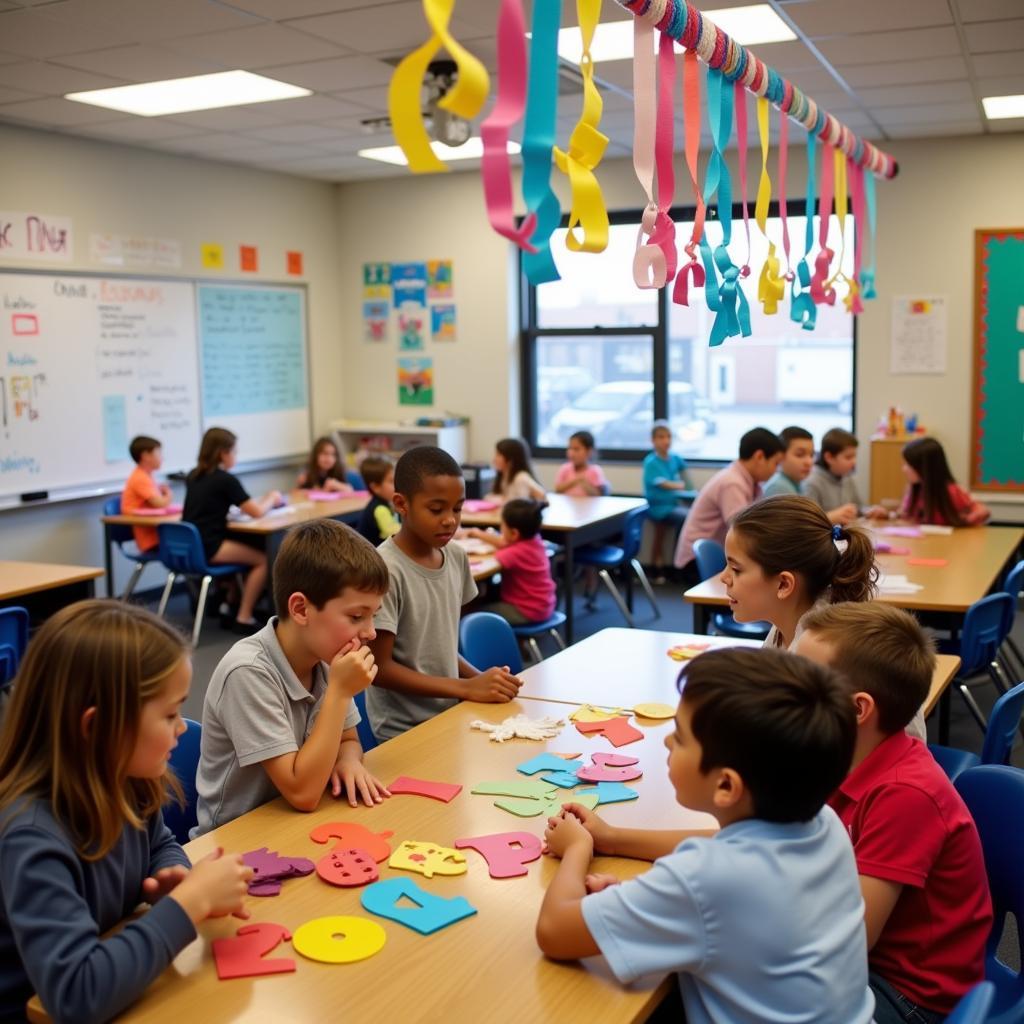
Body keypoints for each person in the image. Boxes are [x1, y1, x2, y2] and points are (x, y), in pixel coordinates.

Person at [535, 647, 873, 1024]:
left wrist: (578, 848)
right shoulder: (823, 822)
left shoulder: (705, 878)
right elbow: (718, 856)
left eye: (679, 737)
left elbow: (554, 931)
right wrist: (611, 837)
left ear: (726, 785)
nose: (666, 742)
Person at [0, 601, 251, 1024]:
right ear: (96, 727)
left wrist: (171, 876)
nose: (181, 727)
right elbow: (76, 995)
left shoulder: (125, 781)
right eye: (169, 714)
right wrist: (189, 903)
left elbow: (159, 843)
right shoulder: (31, 836)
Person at [796, 602, 992, 1024]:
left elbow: (852, 938)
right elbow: (751, 838)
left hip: (908, 993)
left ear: (857, 708)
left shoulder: (905, 793)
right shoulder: (836, 755)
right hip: (861, 959)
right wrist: (619, 837)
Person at [193, 520, 390, 836]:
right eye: (356, 616)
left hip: (295, 825)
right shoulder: (249, 672)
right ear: (301, 609)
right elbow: (303, 793)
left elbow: (349, 740)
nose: (370, 632)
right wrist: (339, 692)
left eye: (373, 615)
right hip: (236, 841)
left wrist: (350, 761)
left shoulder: (326, 655)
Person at [724, 495, 926, 741]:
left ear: (784, 584)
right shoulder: (795, 617)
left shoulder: (820, 651)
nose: (724, 578)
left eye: (735, 569)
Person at [368, 446, 522, 741]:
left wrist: (479, 678)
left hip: (450, 714)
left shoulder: (455, 557)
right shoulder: (385, 570)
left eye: (457, 508)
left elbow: (439, 646)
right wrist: (465, 687)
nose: (450, 519)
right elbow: (380, 668)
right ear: (401, 504)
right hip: (402, 731)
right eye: (436, 509)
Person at [183, 427, 282, 633]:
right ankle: (244, 616)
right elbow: (256, 511)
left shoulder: (194, 475)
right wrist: (272, 497)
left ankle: (230, 604)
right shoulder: (225, 480)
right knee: (263, 559)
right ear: (223, 453)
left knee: (247, 548)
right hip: (210, 546)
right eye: (234, 451)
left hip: (193, 545)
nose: (236, 456)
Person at [673, 427, 784, 585]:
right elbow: (742, 531)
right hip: (697, 560)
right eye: (775, 463)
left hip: (719, 555)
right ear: (759, 456)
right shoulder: (733, 483)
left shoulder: (750, 482)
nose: (776, 470)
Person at [464, 499, 556, 625]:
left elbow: (480, 568)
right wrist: (477, 533)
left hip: (525, 611)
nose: (500, 530)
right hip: (543, 605)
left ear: (514, 533)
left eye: (502, 526)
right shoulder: (535, 540)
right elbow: (503, 542)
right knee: (486, 596)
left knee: (471, 613)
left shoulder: (514, 553)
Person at [643, 420, 693, 582]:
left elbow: (685, 472)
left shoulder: (674, 458)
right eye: (661, 437)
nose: (666, 441)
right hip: (658, 508)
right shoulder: (651, 462)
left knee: (684, 519)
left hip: (673, 505)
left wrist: (691, 489)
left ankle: (678, 564)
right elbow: (663, 483)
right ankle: (678, 565)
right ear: (653, 440)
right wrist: (680, 486)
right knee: (686, 519)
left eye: (669, 437)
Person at [899, 437, 990, 526]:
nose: (904, 469)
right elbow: (906, 515)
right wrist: (889, 515)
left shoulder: (952, 491)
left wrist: (970, 517)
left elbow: (981, 510)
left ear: (924, 467)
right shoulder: (914, 489)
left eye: (908, 464)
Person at [803, 428, 887, 525]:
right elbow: (808, 522)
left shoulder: (847, 477)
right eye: (848, 457)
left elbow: (858, 507)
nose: (854, 462)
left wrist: (869, 511)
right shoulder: (812, 482)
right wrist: (830, 517)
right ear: (829, 457)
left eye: (854, 456)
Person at [121, 434, 174, 554]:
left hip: (157, 536)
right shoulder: (140, 478)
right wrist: (168, 494)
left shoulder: (146, 476)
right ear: (146, 456)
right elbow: (159, 503)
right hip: (151, 540)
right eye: (158, 453)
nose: (162, 458)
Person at [356, 455, 400, 546]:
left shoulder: (386, 502)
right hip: (372, 557)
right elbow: (395, 534)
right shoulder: (379, 508)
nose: (397, 484)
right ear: (376, 487)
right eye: (391, 481)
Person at [486, 437, 545, 503]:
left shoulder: (521, 478)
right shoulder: (504, 476)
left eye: (498, 455)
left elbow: (520, 504)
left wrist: (500, 499)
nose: (494, 459)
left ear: (510, 459)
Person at [762, 426, 814, 498]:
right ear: (780, 455)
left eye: (811, 455)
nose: (809, 462)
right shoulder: (778, 487)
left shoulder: (797, 483)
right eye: (800, 455)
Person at [553, 431, 610, 497]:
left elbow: (598, 495)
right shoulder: (565, 468)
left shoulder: (595, 471)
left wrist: (583, 482)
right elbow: (557, 489)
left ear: (589, 451)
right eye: (570, 448)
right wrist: (575, 481)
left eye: (576, 449)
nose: (571, 453)